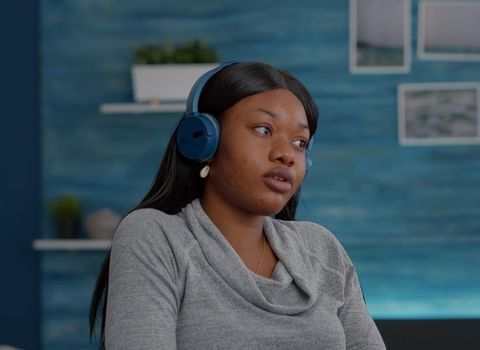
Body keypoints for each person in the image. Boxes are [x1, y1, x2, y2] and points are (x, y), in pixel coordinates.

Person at [89, 61, 386, 349]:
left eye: (300, 142)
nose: (287, 154)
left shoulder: (322, 249)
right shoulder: (154, 236)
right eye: (264, 130)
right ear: (204, 140)